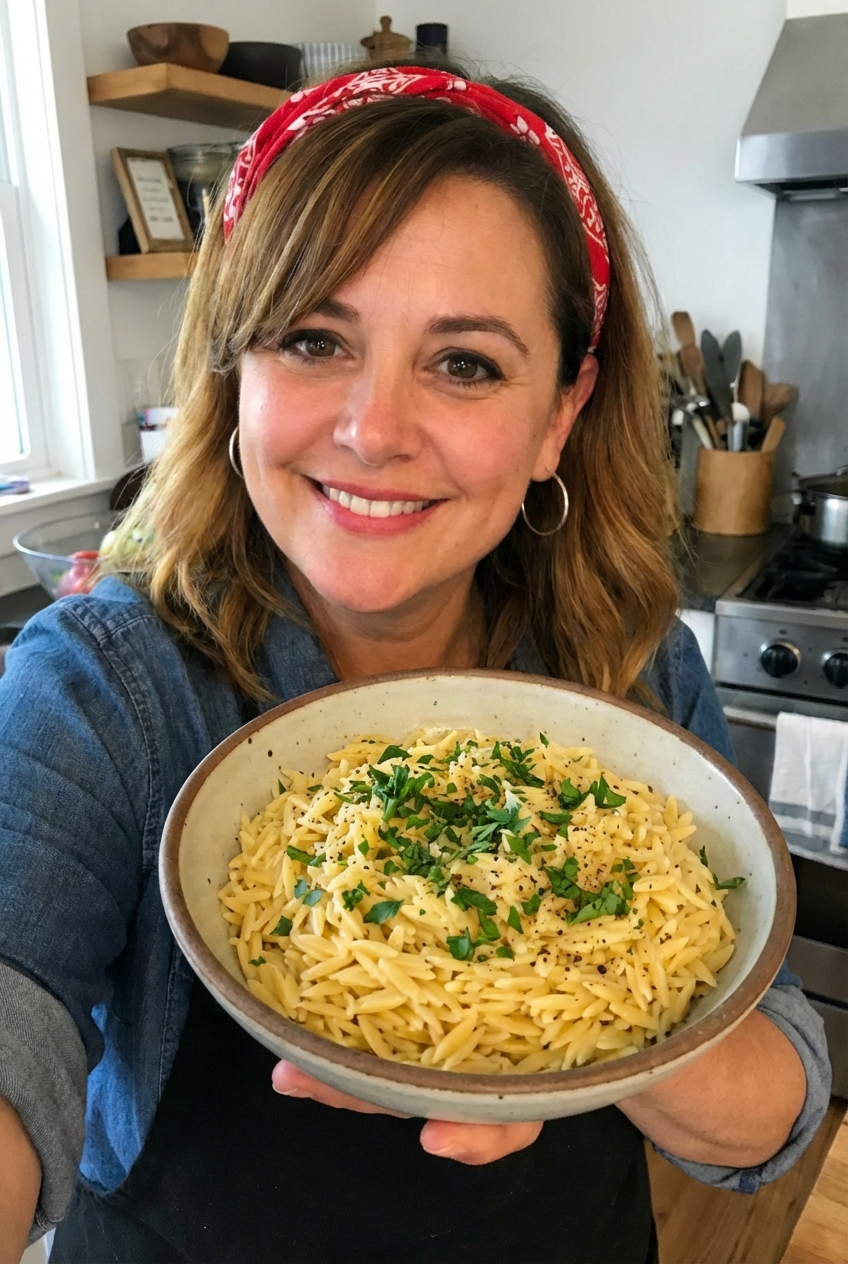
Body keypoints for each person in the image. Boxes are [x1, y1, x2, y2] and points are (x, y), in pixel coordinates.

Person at [0, 62, 830, 1264]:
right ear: (237, 372)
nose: (374, 429)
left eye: (464, 363)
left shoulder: (635, 670)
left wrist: (582, 1005)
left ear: (559, 410)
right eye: (313, 337)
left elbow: (778, 1094)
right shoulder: (101, 683)